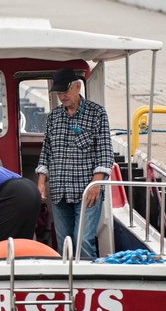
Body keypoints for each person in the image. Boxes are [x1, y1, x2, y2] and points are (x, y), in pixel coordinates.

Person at [36, 67, 114, 259]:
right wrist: (41, 182)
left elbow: (105, 152)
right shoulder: (54, 117)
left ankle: (89, 284)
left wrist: (95, 185)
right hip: (60, 190)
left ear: (78, 87)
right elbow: (46, 152)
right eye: (59, 93)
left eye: (66, 91)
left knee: (83, 241)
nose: (62, 96)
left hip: (87, 192)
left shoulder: (97, 113)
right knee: (65, 243)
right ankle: (68, 284)